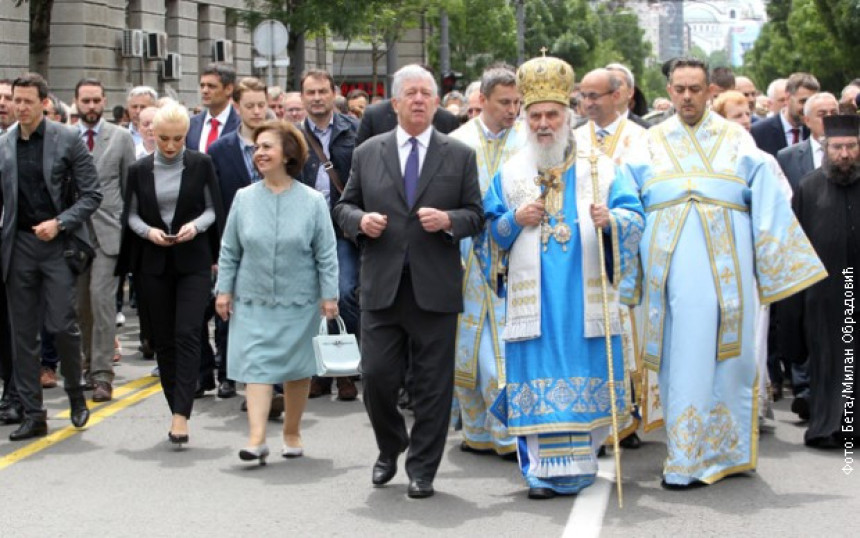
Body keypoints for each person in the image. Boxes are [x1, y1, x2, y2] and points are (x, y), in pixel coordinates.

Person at [625, 58, 826, 488]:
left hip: (728, 279)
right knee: (682, 360)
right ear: (669, 90)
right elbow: (627, 203)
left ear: (708, 92)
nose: (686, 96)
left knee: (729, 361)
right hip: (672, 278)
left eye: (695, 88)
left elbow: (769, 198)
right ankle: (685, 455)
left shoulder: (737, 140)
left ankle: (728, 451)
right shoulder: (648, 143)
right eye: (678, 88)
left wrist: (777, 268)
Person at [483, 56, 644, 499]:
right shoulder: (512, 171)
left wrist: (610, 218)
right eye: (534, 115)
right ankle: (538, 471)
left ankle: (580, 464)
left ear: (567, 115)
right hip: (533, 305)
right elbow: (489, 235)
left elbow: (635, 217)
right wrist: (515, 218)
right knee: (536, 374)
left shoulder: (602, 167)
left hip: (582, 300)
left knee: (583, 370)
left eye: (552, 114)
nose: (543, 123)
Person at [333, 64, 484, 499]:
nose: (419, 100)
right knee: (378, 378)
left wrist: (449, 220)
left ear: (437, 103)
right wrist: (362, 220)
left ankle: (423, 469)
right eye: (410, 93)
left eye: (426, 94)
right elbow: (344, 208)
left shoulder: (458, 155)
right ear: (394, 103)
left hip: (434, 287)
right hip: (382, 285)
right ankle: (390, 444)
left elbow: (476, 215)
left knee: (432, 386)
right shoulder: (369, 152)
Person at [216, 120, 338, 463]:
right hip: (252, 298)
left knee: (297, 369)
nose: (260, 153)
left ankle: (292, 431)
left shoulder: (313, 201)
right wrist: (224, 290)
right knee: (256, 367)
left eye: (267, 146)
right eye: (257, 148)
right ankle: (256, 438)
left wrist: (330, 296)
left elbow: (326, 252)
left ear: (288, 153)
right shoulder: (244, 198)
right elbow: (230, 249)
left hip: (300, 300)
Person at [0, 73, 102, 440]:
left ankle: (76, 392)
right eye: (16, 100)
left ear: (44, 102)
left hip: (58, 245)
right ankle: (33, 412)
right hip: (18, 247)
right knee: (22, 334)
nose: (20, 107)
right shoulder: (4, 144)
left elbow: (92, 195)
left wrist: (59, 223)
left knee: (61, 325)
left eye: (28, 101)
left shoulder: (67, 139)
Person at [118, 102, 224, 446]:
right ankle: (174, 405)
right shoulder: (138, 169)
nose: (170, 146)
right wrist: (148, 232)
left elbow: (213, 209)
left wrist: (194, 227)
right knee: (162, 339)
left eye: (178, 139)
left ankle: (182, 414)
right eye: (163, 138)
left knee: (189, 332)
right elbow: (130, 215)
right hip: (153, 261)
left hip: (192, 259)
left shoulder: (200, 164)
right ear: (152, 134)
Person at [448, 63, 525, 458]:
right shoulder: (457, 141)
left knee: (506, 348)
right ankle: (477, 432)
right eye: (504, 102)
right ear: (482, 101)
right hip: (466, 258)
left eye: (517, 102)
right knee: (471, 347)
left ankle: (510, 434)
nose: (513, 110)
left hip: (518, 253)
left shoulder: (530, 141)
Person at [575, 67, 651, 448]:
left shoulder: (644, 140)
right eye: (583, 96)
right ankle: (596, 413)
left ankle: (628, 417)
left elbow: (650, 201)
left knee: (630, 335)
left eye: (596, 96)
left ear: (620, 95)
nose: (588, 103)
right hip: (586, 253)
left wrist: (618, 223)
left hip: (629, 255)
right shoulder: (571, 140)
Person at [783, 114, 858, 448]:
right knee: (828, 361)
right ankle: (828, 426)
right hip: (823, 294)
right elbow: (795, 246)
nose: (844, 154)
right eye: (838, 147)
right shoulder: (809, 187)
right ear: (826, 148)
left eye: (852, 147)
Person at [296, 69, 361, 401]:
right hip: (304, 231)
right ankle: (318, 371)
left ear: (333, 94)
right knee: (308, 300)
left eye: (323, 91)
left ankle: (346, 369)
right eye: (311, 92)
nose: (317, 97)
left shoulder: (355, 131)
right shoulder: (292, 136)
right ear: (303, 97)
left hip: (343, 228)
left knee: (345, 292)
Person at [206, 76, 272, 401]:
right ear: (236, 106)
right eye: (250, 106)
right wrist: (217, 249)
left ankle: (266, 375)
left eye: (262, 105)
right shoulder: (220, 149)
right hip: (233, 237)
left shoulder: (281, 143)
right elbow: (215, 201)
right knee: (227, 303)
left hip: (272, 239)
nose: (257, 112)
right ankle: (227, 372)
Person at [73, 78, 136, 402]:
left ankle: (102, 375)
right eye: (86, 101)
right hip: (75, 235)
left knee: (101, 302)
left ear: (104, 101)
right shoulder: (67, 138)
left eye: (97, 100)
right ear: (76, 103)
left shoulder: (121, 138)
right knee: (81, 307)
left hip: (109, 234)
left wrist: (129, 229)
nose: (92, 107)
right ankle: (87, 366)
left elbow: (130, 187)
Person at [751, 72, 818, 157]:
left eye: (811, 103)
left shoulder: (815, 131)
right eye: (803, 101)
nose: (806, 108)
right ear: (787, 98)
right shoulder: (759, 132)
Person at [186, 63, 240, 153]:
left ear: (229, 89)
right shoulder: (191, 125)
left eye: (211, 86)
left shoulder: (240, 126)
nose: (205, 91)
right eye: (202, 86)